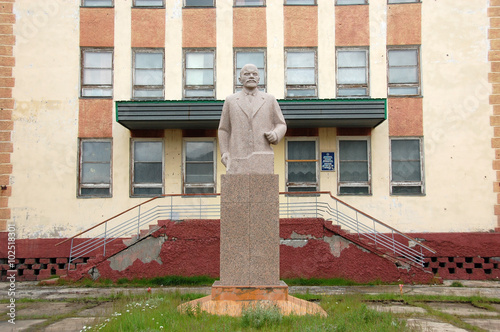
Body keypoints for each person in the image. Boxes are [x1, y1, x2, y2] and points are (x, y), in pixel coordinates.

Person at [218, 64, 287, 173]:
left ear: (259, 79)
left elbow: (281, 124)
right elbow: (224, 129)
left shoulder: (270, 100)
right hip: (237, 156)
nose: (251, 76)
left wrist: (275, 134)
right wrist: (224, 152)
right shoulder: (230, 100)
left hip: (262, 157)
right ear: (240, 79)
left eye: (254, 74)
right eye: (247, 74)